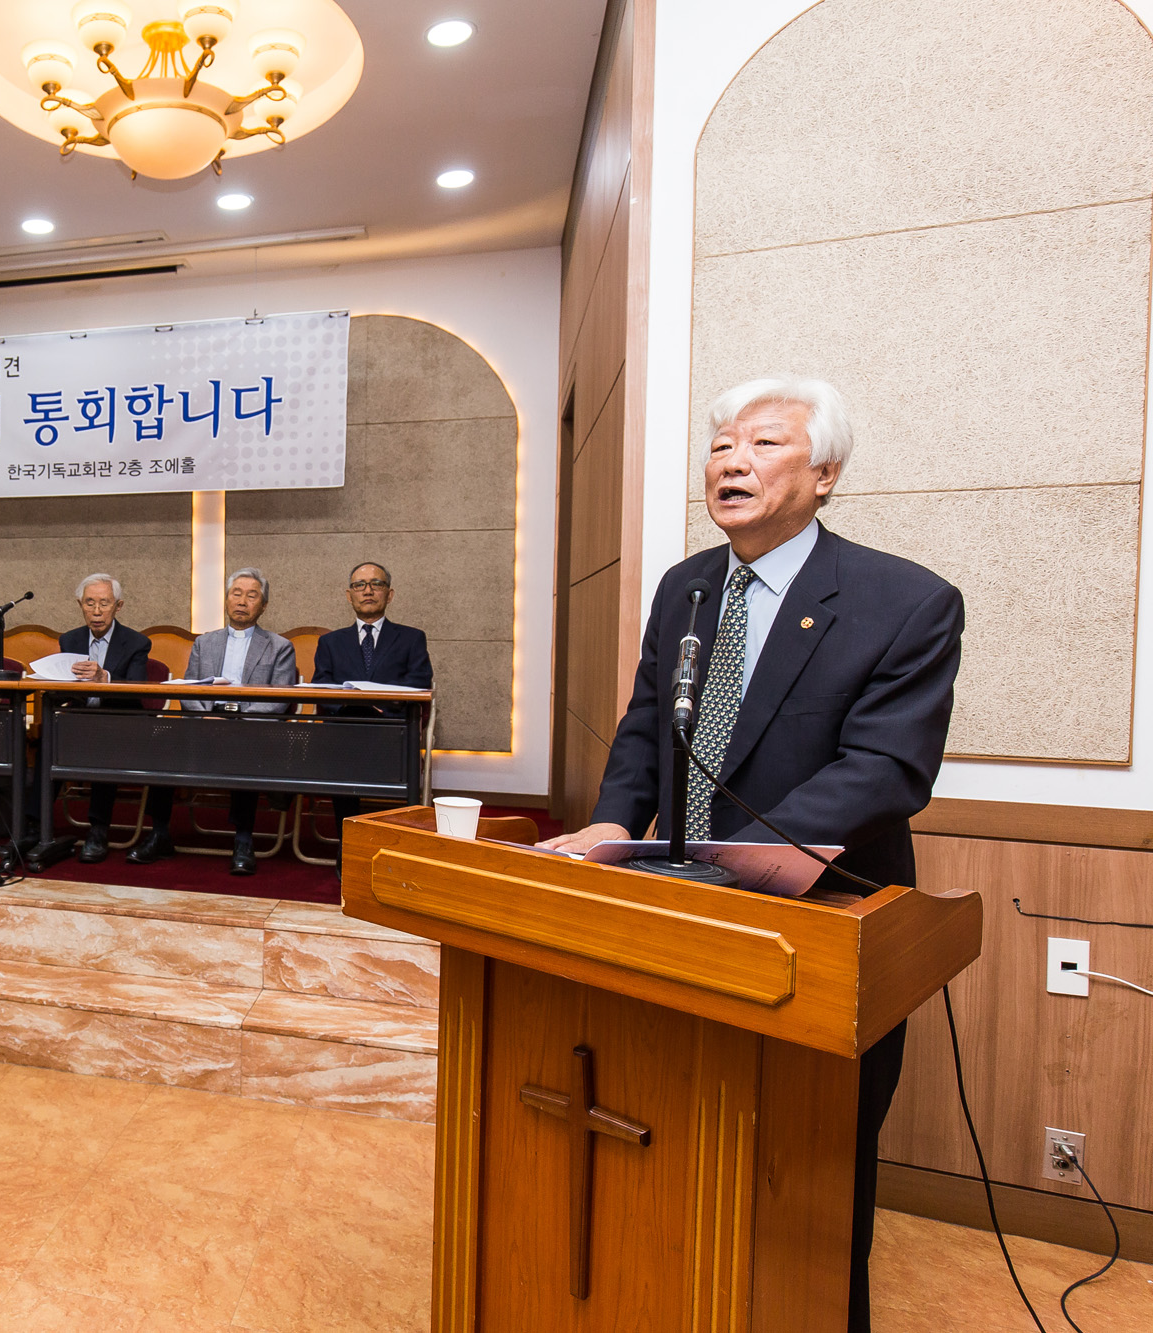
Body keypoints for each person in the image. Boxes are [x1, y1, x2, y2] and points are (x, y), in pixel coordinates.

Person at [539, 375, 963, 1333]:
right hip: (680, 914)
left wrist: (737, 861)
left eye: (764, 444)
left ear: (826, 474)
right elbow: (647, 726)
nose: (731, 461)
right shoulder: (685, 587)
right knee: (682, 1150)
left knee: (810, 1190)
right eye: (721, 445)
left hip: (816, 926)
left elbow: (887, 768)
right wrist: (614, 821)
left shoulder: (906, 600)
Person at [126, 567, 296, 876]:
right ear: (226, 599)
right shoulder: (205, 643)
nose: (242, 601)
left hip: (250, 728)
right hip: (204, 724)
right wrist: (206, 715)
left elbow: (278, 701)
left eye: (251, 596)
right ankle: (159, 833)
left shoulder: (279, 646)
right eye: (236, 594)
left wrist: (237, 719)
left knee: (245, 746)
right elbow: (189, 688)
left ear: (263, 605)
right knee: (163, 741)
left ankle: (243, 840)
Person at [310, 561, 434, 833]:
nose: (368, 591)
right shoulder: (331, 642)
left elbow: (419, 683)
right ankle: (347, 840)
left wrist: (378, 706)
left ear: (389, 594)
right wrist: (351, 705)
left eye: (376, 584)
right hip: (344, 734)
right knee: (338, 753)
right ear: (349, 595)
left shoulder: (412, 638)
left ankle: (392, 840)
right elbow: (321, 687)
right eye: (359, 585)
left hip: (393, 734)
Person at [59, 573, 152, 863]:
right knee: (49, 738)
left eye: (104, 603)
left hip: (119, 722)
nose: (97, 611)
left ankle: (98, 830)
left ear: (118, 606)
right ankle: (33, 825)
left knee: (105, 741)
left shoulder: (136, 643)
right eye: (90, 603)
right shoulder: (69, 639)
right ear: (80, 605)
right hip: (79, 721)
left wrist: (105, 678)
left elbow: (136, 689)